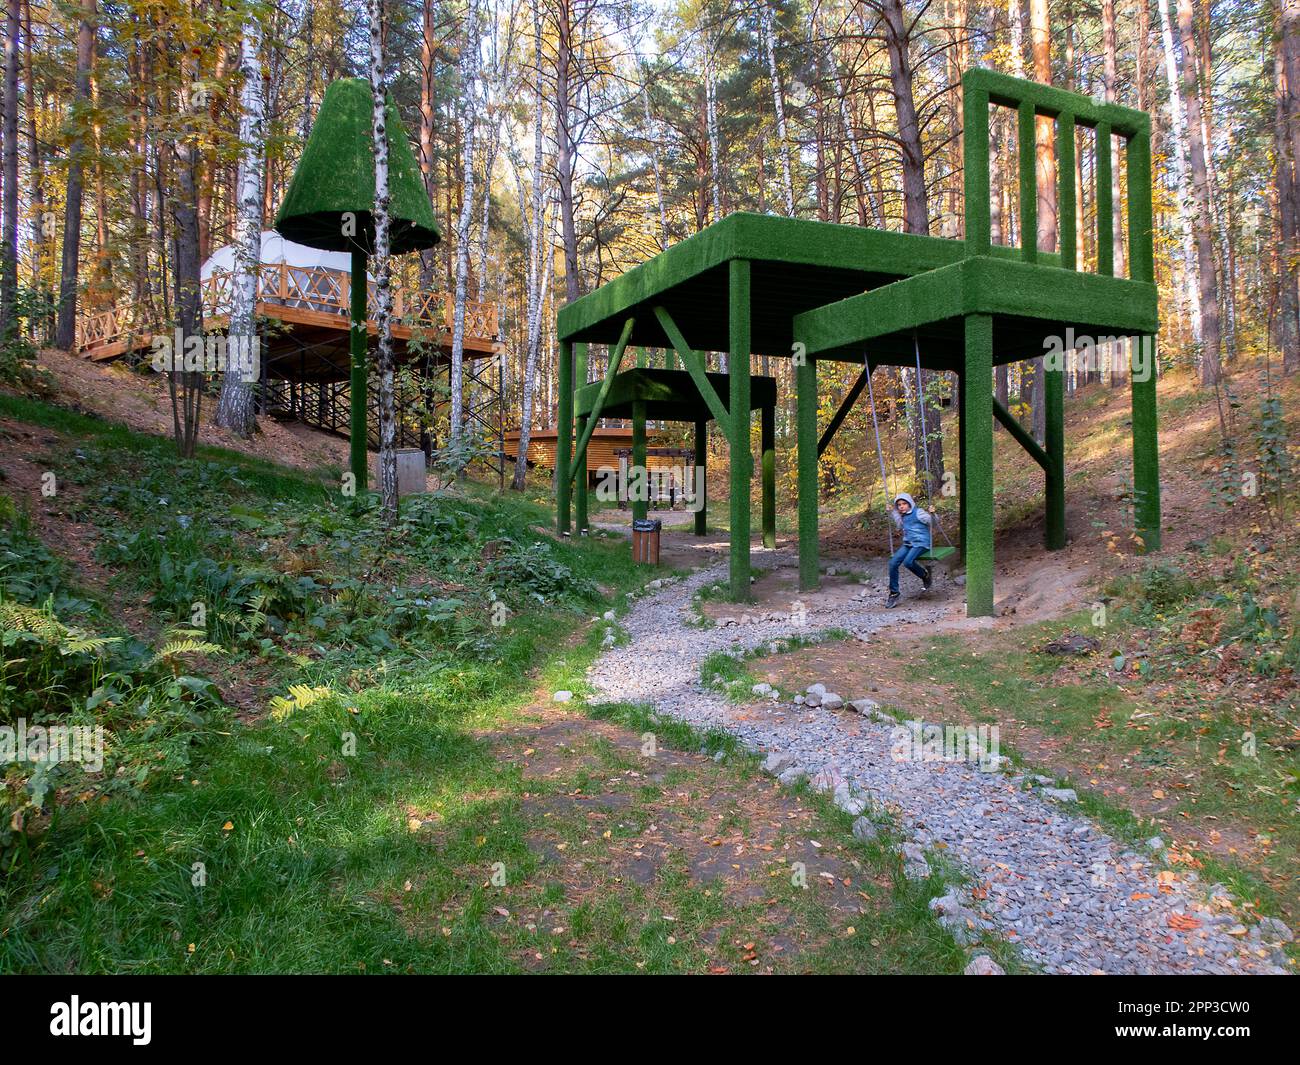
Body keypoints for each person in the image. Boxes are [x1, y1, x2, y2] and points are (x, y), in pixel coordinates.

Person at [886, 492, 933, 608]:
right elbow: (898, 523)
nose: (901, 506)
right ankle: (894, 593)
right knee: (893, 563)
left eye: (904, 504)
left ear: (910, 503)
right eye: (899, 505)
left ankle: (925, 575)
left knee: (908, 562)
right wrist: (891, 511)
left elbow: (933, 522)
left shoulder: (919, 513)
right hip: (908, 543)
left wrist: (933, 514)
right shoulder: (902, 516)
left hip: (921, 543)